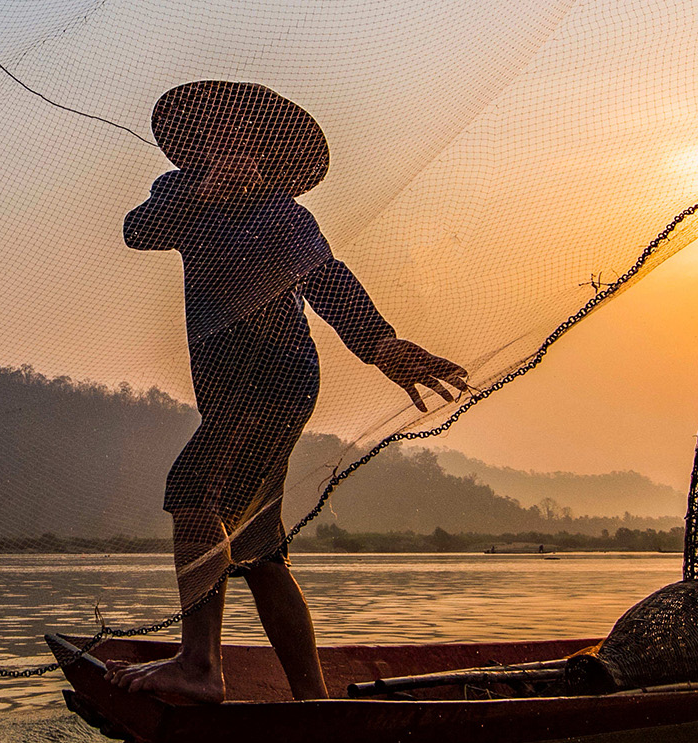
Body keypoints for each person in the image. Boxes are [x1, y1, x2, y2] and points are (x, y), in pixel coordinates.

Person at [111, 81, 468, 703]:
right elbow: (137, 230)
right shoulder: (179, 195)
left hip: (276, 376)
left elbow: (328, 281)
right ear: (200, 148)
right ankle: (313, 699)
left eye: (247, 144)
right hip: (226, 386)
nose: (233, 150)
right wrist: (201, 193)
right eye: (219, 138)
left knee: (193, 490)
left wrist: (381, 345)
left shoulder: (282, 215)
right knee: (258, 547)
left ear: (266, 160)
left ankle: (200, 667)